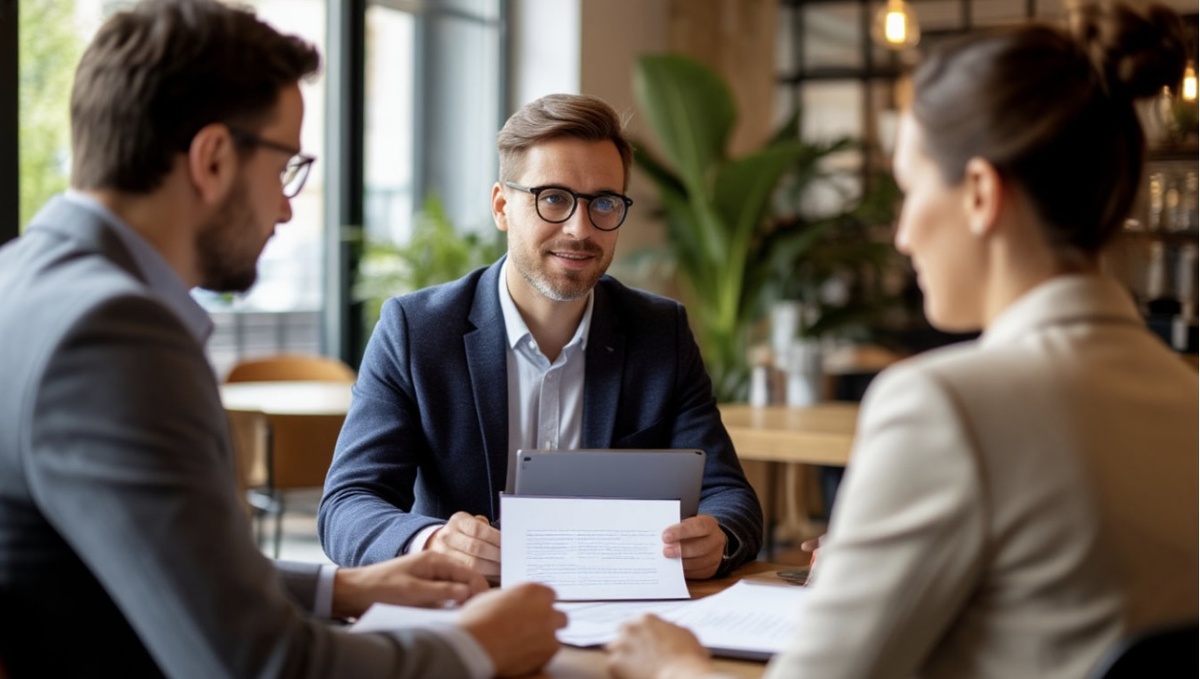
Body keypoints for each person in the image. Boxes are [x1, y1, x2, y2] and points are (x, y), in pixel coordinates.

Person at [606, 2, 1199, 678]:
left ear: (979, 192)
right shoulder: (1188, 401)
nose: (903, 235)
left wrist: (674, 663)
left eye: (910, 191)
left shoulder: (946, 408)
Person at [0, 1, 565, 677]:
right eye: (285, 168)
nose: (287, 206)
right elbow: (259, 664)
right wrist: (479, 646)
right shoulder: (115, 335)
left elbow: (157, 556)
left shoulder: (24, 279)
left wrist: (342, 586)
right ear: (211, 159)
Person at [318, 93, 763, 581]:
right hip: (471, 610)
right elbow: (348, 505)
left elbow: (729, 494)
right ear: (502, 206)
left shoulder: (661, 332)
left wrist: (717, 536)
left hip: (623, 612)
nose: (580, 228)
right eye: (553, 198)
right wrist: (433, 541)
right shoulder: (416, 331)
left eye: (604, 203)